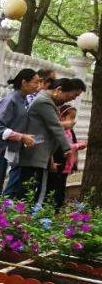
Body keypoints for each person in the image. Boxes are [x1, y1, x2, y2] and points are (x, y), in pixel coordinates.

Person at [13, 77, 87, 207]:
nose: (72, 99)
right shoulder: (44, 102)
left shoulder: (47, 101)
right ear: (58, 90)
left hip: (39, 154)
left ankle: (21, 218)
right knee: (36, 192)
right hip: (35, 154)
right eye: (72, 95)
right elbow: (55, 127)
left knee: (28, 191)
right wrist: (67, 149)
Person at [0, 68, 40, 204]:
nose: (38, 86)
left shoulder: (22, 100)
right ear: (24, 82)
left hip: (2, 153)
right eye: (35, 82)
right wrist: (21, 137)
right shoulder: (10, 100)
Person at [48, 102, 87, 210]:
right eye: (71, 117)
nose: (73, 120)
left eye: (75, 117)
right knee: (54, 187)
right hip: (59, 163)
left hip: (67, 166)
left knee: (61, 188)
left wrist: (79, 143)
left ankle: (58, 208)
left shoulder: (70, 131)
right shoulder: (60, 131)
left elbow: (71, 142)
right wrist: (78, 145)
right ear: (62, 117)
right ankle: (52, 208)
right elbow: (64, 145)